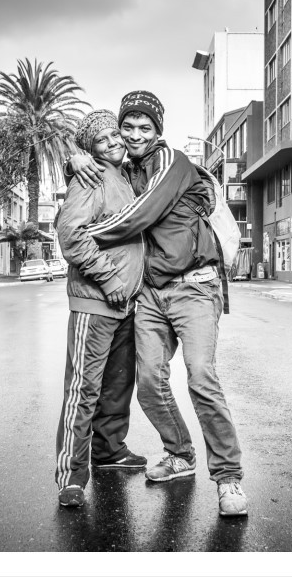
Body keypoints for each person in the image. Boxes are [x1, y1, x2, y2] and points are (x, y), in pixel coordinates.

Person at [69, 90, 248, 516]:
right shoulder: (123, 169)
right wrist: (74, 158)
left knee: (201, 376)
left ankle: (228, 478)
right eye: (127, 127)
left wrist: (81, 235)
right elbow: (96, 172)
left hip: (194, 287)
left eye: (144, 127)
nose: (134, 135)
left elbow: (139, 216)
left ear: (158, 130)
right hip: (149, 294)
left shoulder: (172, 162)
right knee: (149, 381)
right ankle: (180, 453)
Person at [53, 109, 147, 509]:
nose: (112, 143)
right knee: (83, 388)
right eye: (101, 140)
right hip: (96, 301)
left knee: (117, 386)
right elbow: (71, 235)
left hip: (127, 303)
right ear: (89, 149)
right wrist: (108, 280)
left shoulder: (126, 177)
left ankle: (109, 451)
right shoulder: (90, 177)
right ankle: (71, 476)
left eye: (114, 135)